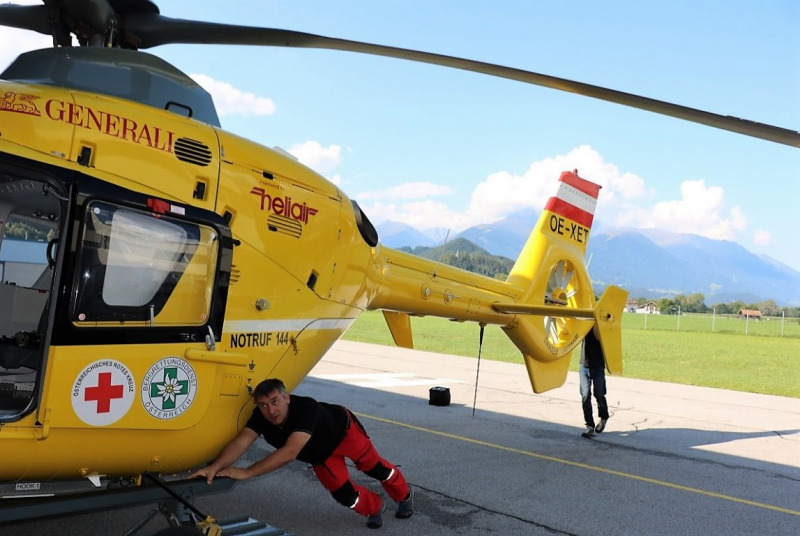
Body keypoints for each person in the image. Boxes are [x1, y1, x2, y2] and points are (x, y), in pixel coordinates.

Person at [190, 378, 413, 529]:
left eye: (275, 401)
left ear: (287, 398)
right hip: (320, 455)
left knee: (377, 469)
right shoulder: (261, 416)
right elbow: (241, 442)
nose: (271, 410)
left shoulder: (306, 409)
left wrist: (246, 472)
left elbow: (289, 452)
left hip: (344, 434)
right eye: (263, 405)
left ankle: (403, 495)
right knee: (345, 496)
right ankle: (375, 506)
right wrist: (215, 467)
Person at [579, 325, 610, 438]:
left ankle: (603, 417)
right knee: (585, 395)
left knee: (599, 394)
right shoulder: (583, 322)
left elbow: (598, 335)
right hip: (584, 365)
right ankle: (589, 425)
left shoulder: (601, 323)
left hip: (598, 366)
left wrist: (595, 321)